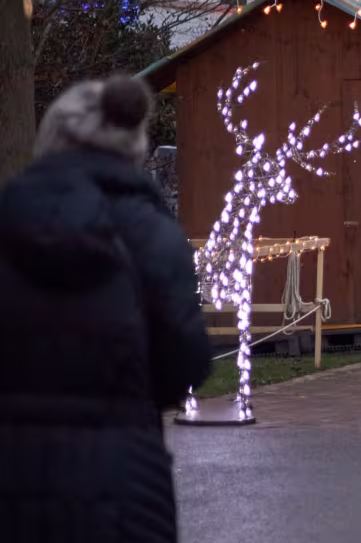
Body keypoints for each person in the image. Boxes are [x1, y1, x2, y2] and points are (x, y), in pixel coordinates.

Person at [0, 76, 211, 540]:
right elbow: (186, 365)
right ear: (133, 147)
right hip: (125, 489)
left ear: (50, 140)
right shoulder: (155, 237)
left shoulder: (7, 221)